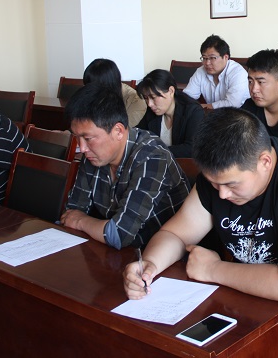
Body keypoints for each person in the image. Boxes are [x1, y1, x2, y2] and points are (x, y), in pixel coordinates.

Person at [122, 108, 278, 357]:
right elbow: (176, 234)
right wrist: (150, 265)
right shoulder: (219, 178)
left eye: (231, 184)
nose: (222, 194)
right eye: (214, 184)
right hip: (256, 304)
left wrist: (212, 269)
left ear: (265, 162)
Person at [61, 84, 189, 249]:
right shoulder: (93, 155)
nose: (82, 148)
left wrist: (81, 221)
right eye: (77, 137)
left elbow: (119, 234)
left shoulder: (151, 156)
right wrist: (83, 221)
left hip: (157, 254)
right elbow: (71, 213)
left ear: (118, 131)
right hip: (112, 251)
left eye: (88, 138)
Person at [135, 69, 204, 159]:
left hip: (183, 166)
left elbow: (191, 148)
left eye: (153, 97)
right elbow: (138, 135)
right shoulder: (151, 111)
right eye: (146, 98)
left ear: (171, 91)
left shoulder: (193, 112)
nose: (149, 104)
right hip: (159, 164)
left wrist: (154, 151)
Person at [184, 34, 250, 109]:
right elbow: (186, 97)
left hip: (239, 114)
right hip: (212, 114)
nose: (207, 63)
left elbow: (232, 104)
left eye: (212, 58)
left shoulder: (238, 73)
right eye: (204, 58)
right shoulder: (201, 71)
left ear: (225, 57)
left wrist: (203, 107)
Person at [83, 58, 147, 128]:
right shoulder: (88, 95)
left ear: (108, 85)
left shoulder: (135, 100)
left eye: (94, 87)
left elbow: (122, 130)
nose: (90, 90)